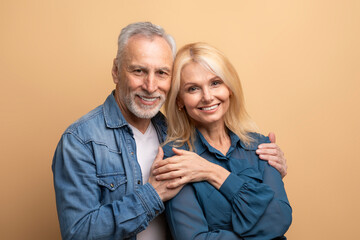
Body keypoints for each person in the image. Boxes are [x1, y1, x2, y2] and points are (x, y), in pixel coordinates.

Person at [52, 22, 288, 240]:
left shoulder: (175, 134)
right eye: (138, 71)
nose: (151, 86)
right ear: (116, 71)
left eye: (162, 73)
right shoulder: (81, 140)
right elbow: (78, 233)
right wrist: (152, 195)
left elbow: (275, 217)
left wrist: (268, 170)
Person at [160, 42, 292, 240]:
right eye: (193, 88)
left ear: (229, 87)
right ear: (179, 100)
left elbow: (280, 219)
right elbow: (194, 238)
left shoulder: (260, 146)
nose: (207, 97)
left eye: (215, 83)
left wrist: (213, 172)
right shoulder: (176, 157)